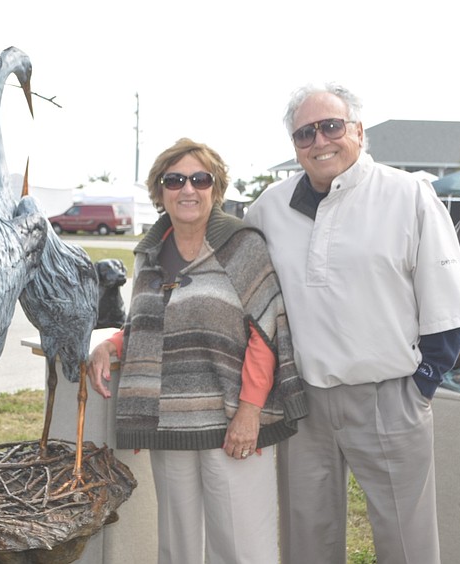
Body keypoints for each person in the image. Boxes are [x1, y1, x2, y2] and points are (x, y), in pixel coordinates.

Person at [244, 83, 460, 564]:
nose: (319, 141)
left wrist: (420, 389)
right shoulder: (269, 207)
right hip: (305, 402)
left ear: (358, 130)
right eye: (304, 133)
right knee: (307, 540)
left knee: (406, 543)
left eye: (331, 126)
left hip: (390, 397)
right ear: (294, 145)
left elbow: (447, 307)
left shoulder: (408, 194)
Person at [87, 137, 307, 564]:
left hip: (234, 422)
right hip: (170, 420)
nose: (188, 189)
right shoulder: (149, 255)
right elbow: (145, 325)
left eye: (199, 179)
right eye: (175, 180)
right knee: (178, 544)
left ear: (215, 188)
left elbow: (266, 330)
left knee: (242, 545)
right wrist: (110, 346)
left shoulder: (242, 245)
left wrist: (249, 410)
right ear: (160, 191)